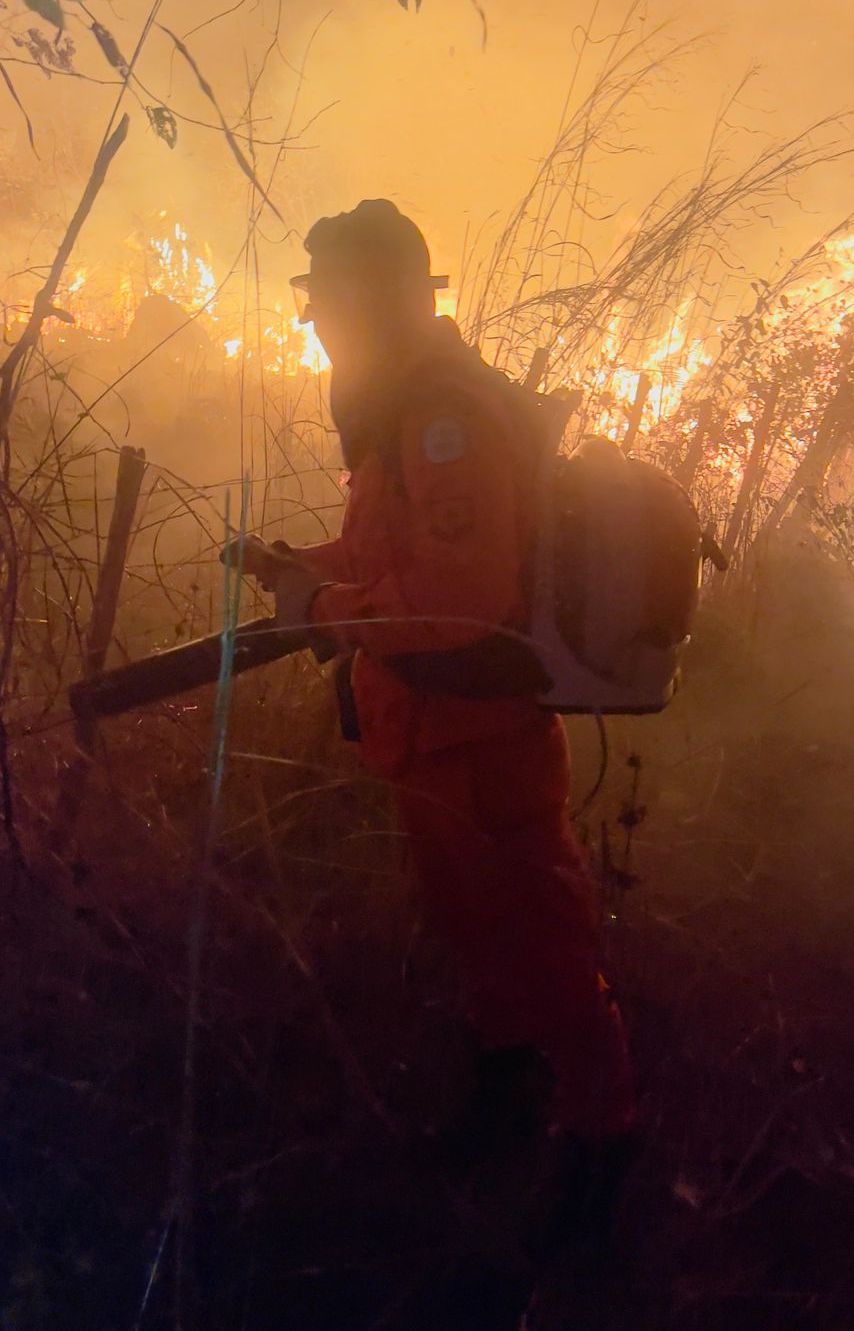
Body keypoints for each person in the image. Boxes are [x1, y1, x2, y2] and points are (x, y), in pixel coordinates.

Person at [235, 199, 636, 1205]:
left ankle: (602, 1139)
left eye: (322, 298)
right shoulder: (400, 406)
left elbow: (461, 598)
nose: (312, 319)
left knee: (540, 938)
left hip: (480, 732)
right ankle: (504, 1098)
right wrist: (298, 567)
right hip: (429, 728)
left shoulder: (441, 419)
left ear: (374, 299)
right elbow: (396, 553)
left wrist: (320, 607)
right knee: (478, 929)